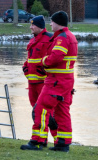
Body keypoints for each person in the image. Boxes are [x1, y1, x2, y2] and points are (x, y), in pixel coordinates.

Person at [21, 11, 78, 152]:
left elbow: (55, 58)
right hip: (65, 81)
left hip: (56, 81)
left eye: (52, 21)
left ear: (57, 22)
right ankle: (62, 144)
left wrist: (44, 61)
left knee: (41, 108)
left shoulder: (62, 38)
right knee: (62, 111)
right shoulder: (69, 36)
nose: (50, 24)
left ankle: (37, 141)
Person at [22, 15, 53, 146]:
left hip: (43, 83)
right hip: (32, 84)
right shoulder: (33, 40)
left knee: (41, 112)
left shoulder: (49, 39)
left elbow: (53, 59)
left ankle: (39, 140)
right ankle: (43, 139)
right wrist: (25, 67)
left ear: (39, 26)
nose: (30, 27)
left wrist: (43, 71)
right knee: (37, 113)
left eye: (33, 25)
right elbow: (30, 59)